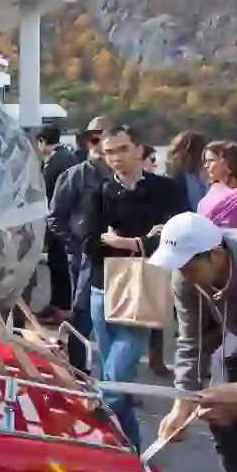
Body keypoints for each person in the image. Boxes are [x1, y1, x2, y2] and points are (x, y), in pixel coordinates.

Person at [81, 124, 187, 448]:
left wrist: (127, 242)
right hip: (103, 286)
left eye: (122, 149)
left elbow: (177, 236)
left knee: (116, 371)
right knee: (119, 376)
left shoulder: (165, 190)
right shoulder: (99, 193)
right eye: (109, 152)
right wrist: (146, 240)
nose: (115, 158)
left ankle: (95, 425)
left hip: (146, 287)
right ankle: (131, 447)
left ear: (140, 150)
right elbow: (89, 243)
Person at [148, 213, 237, 472]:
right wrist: (183, 401)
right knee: (217, 410)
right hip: (232, 340)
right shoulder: (185, 277)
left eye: (188, 267)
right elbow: (191, 340)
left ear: (215, 255)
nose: (182, 275)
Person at [46, 115, 114, 373]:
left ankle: (113, 381)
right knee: (81, 317)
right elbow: (54, 217)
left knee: (114, 320)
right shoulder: (74, 176)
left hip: (118, 260)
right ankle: (77, 372)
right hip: (84, 260)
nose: (98, 145)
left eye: (103, 139)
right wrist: (76, 247)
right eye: (93, 139)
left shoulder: (120, 178)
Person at [36, 125, 77, 322]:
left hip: (58, 219)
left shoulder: (55, 162)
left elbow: (43, 188)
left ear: (43, 141)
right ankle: (58, 303)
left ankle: (61, 306)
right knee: (57, 262)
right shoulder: (68, 157)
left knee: (58, 263)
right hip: (66, 218)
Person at [199, 141, 237, 229]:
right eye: (206, 161)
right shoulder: (213, 189)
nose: (206, 166)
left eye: (211, 160)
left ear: (228, 163)